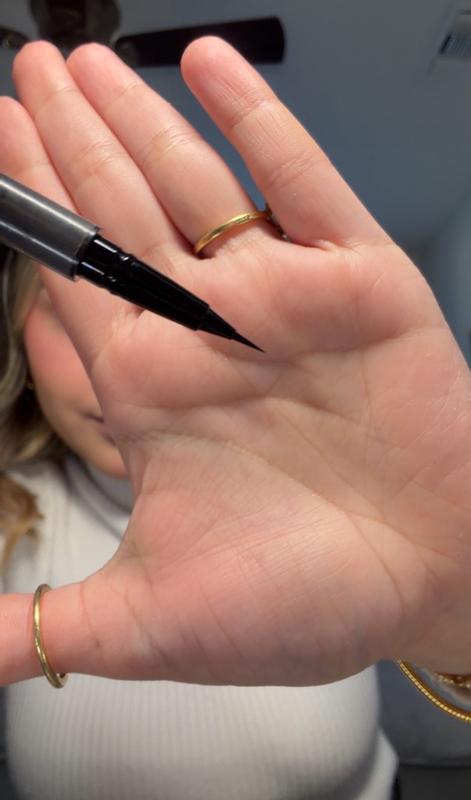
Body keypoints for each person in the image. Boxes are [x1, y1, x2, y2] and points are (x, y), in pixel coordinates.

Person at [0, 34, 470, 799]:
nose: (119, 378)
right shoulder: (9, 513)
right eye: (67, 313)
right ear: (16, 340)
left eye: (160, 318)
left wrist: (456, 614)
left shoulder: (339, 481)